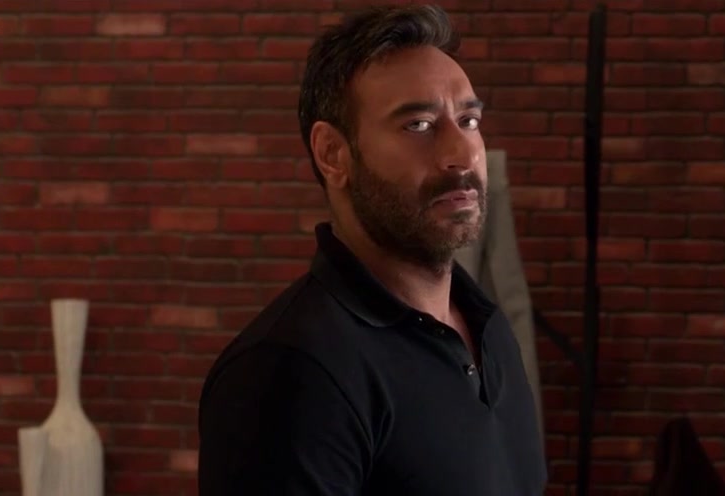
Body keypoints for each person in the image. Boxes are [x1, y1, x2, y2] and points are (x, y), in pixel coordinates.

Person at [196, 5, 548, 495]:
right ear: (332, 154)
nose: (463, 154)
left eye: (469, 120)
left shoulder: (488, 327)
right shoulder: (288, 371)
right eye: (419, 125)